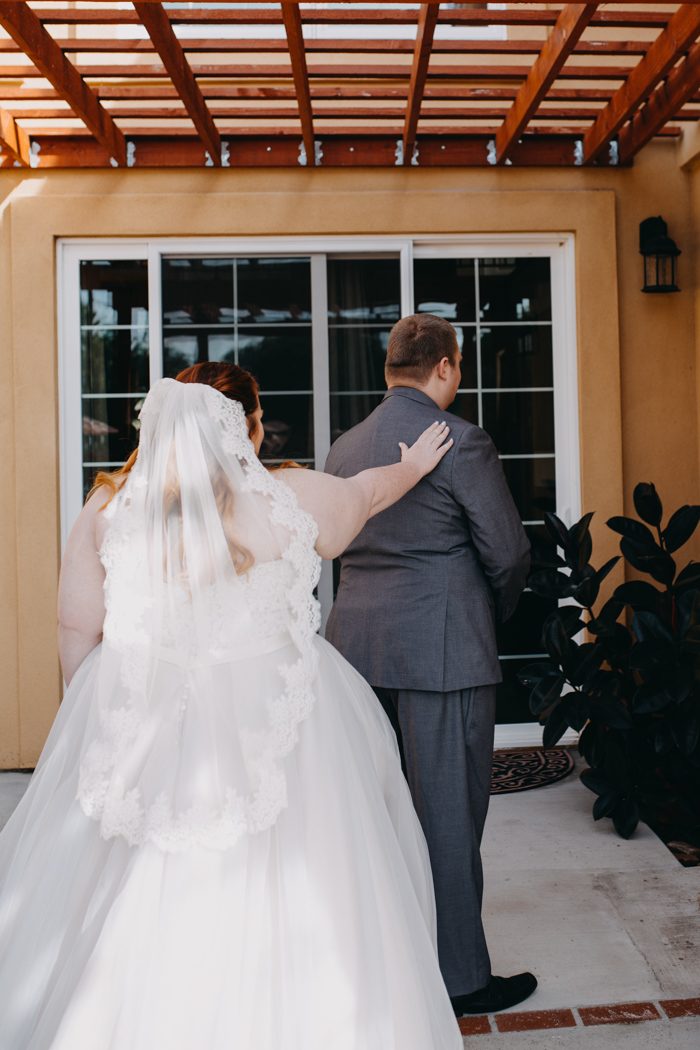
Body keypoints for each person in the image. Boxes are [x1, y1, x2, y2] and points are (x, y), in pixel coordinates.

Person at [0, 361, 463, 1050]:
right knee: (307, 881)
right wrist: (415, 466)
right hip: (278, 719)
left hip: (149, 720)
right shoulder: (290, 496)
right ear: (248, 426)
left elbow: (76, 625)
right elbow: (364, 496)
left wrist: (96, 711)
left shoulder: (107, 507)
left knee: (130, 889)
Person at [325, 313, 536, 1017]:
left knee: (376, 817)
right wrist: (490, 614)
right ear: (444, 367)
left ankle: (389, 966)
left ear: (390, 368)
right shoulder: (464, 443)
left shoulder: (344, 447)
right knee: (447, 818)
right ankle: (461, 981)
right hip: (443, 652)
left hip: (356, 651)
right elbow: (506, 553)